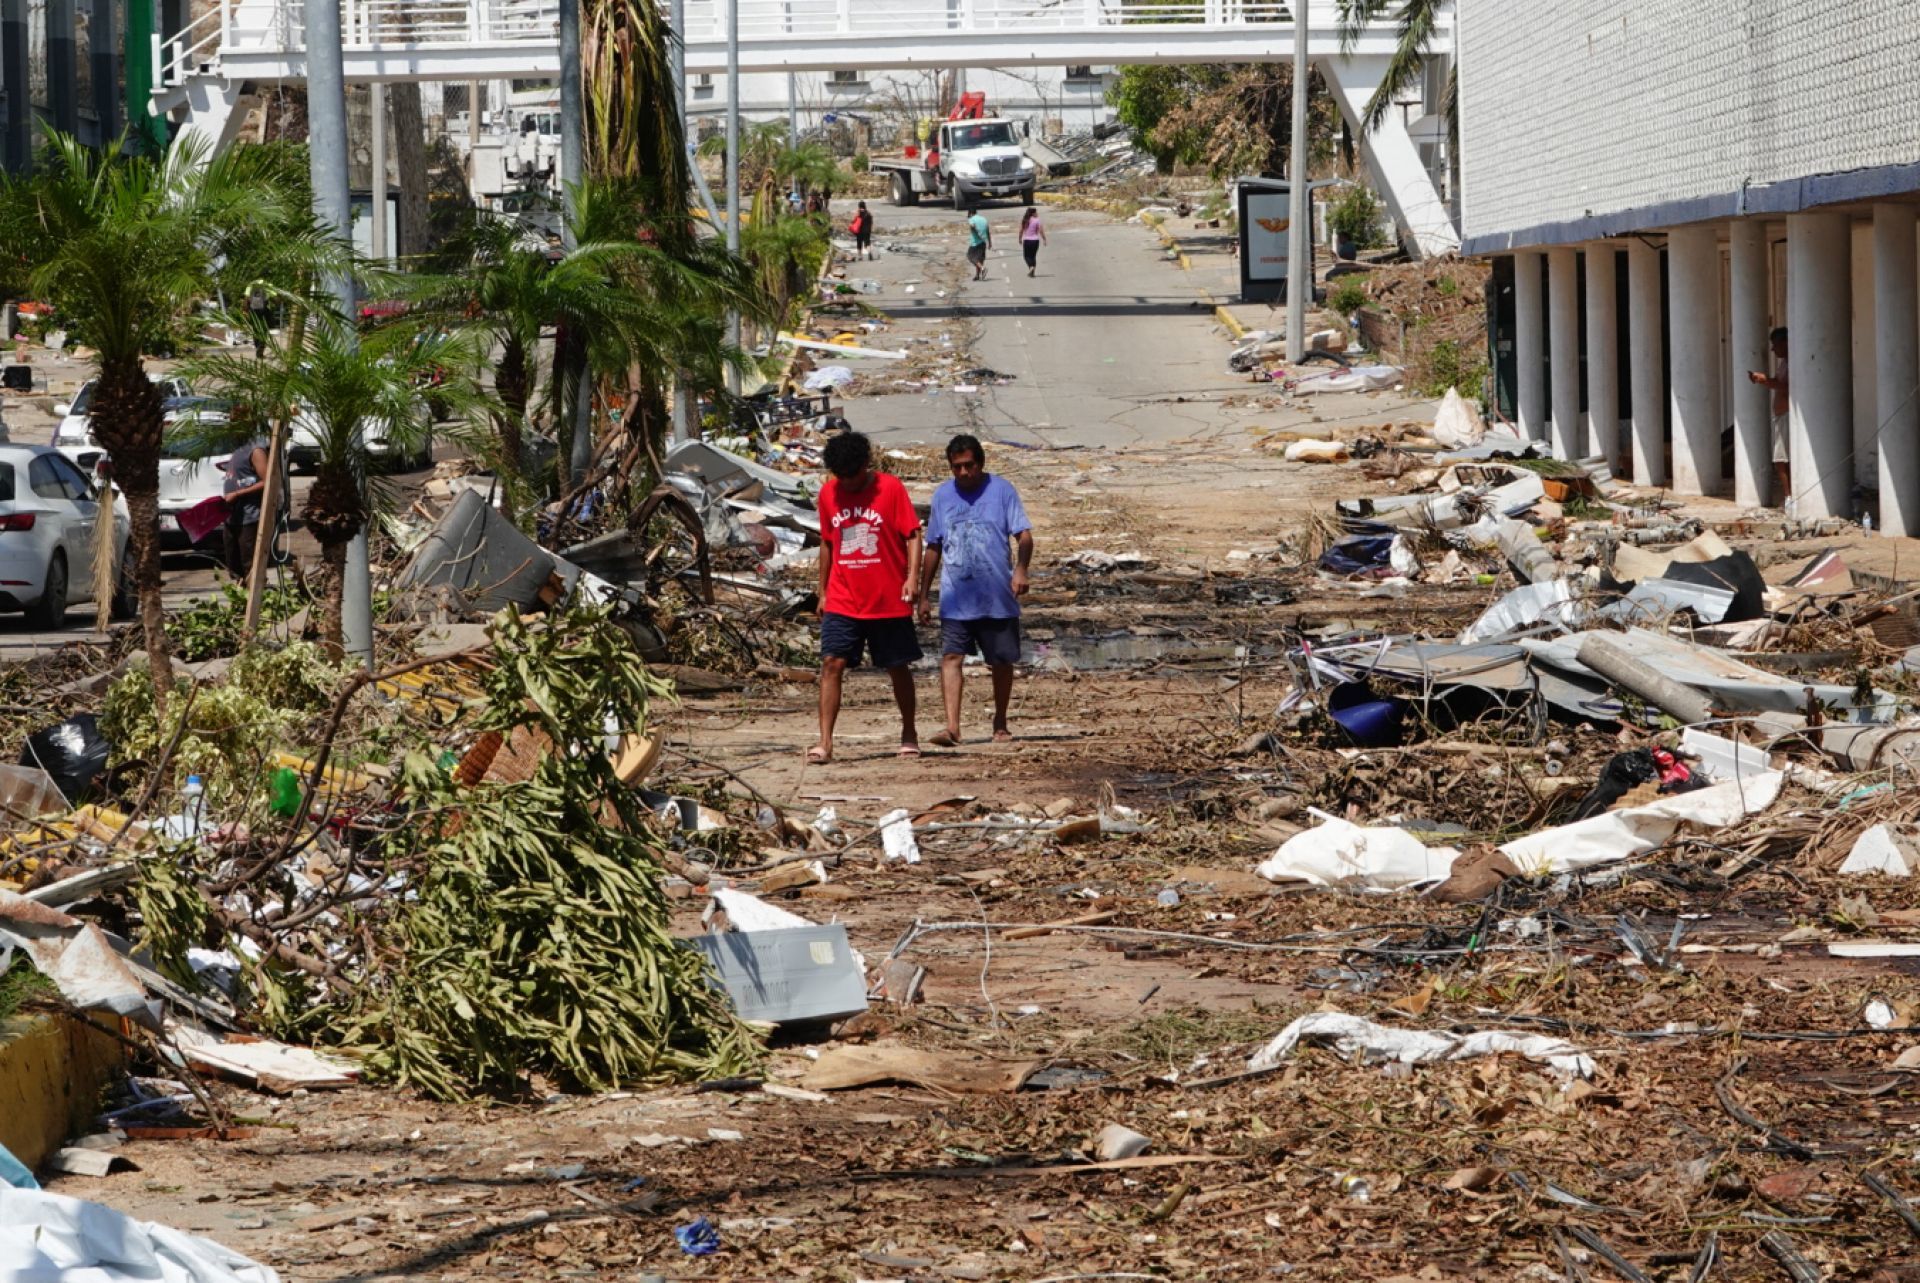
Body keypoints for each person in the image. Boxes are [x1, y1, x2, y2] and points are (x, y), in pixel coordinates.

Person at [812, 431, 923, 763]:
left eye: (853, 475)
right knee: (832, 663)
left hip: (887, 597)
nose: (847, 482)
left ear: (866, 465)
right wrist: (823, 591)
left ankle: (909, 732)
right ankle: (825, 743)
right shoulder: (828, 494)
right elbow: (828, 543)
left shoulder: (890, 489)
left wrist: (912, 579)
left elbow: (913, 535)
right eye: (840, 476)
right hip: (844, 597)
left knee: (896, 665)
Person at [917, 434, 1032, 747]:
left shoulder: (1002, 491)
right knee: (951, 656)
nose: (964, 473)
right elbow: (934, 546)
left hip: (996, 593)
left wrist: (1020, 569)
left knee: (1001, 661)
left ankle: (1000, 722)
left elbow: (1023, 536)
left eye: (969, 465)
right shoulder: (943, 496)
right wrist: (924, 594)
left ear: (980, 463)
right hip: (956, 596)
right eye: (957, 467)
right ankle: (952, 727)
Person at [220, 422, 273, 582]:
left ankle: (254, 600)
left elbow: (267, 482)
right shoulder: (238, 450)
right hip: (231, 517)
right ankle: (240, 600)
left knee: (249, 565)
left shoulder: (255, 450)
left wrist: (238, 493)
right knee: (233, 565)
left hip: (249, 518)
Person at [1748, 326, 1790, 506]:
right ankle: (1789, 496)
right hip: (1781, 415)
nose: (1772, 349)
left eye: (1775, 344)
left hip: (1787, 414)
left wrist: (1765, 381)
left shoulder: (1793, 362)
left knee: (1781, 459)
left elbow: (1787, 387)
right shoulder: (1785, 363)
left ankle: (1789, 498)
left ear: (1785, 342)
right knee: (1781, 459)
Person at [1018, 205, 1047, 277]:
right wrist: (1044, 239)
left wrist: (1020, 239)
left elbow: (1021, 231)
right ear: (1032, 213)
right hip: (1035, 241)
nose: (1037, 213)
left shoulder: (1025, 220)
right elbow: (1041, 231)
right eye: (1036, 212)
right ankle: (1033, 272)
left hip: (1027, 240)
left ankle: (1031, 268)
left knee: (1026, 256)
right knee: (1033, 256)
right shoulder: (1037, 220)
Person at [965, 208, 992, 281]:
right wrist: (990, 242)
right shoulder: (984, 219)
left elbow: (972, 226)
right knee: (979, 259)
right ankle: (977, 275)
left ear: (970, 213)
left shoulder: (972, 219)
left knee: (970, 256)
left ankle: (983, 268)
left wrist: (977, 234)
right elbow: (988, 231)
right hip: (983, 242)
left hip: (975, 243)